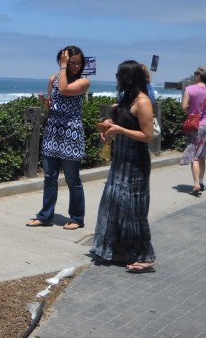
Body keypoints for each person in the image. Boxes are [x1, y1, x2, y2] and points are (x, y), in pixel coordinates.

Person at [91, 60, 155, 273]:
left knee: (134, 208)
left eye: (119, 75)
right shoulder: (126, 99)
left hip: (136, 162)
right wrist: (109, 125)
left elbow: (147, 136)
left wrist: (120, 130)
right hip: (121, 159)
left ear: (128, 77)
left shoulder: (143, 102)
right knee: (114, 203)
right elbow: (123, 121)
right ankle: (121, 249)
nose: (116, 78)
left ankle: (145, 256)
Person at [27, 46, 90, 230]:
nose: (76, 66)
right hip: (53, 130)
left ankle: (77, 218)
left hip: (71, 131)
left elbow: (64, 90)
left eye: (78, 63)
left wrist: (63, 67)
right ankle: (45, 215)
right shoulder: (53, 79)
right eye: (72, 63)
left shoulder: (84, 82)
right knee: (50, 176)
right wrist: (47, 104)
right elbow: (54, 101)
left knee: (72, 178)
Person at [180, 66, 206, 196]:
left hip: (195, 126)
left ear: (198, 75)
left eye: (194, 74)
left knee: (194, 156)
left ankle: (196, 183)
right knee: (202, 155)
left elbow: (184, 107)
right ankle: (201, 182)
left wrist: (190, 110)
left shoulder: (190, 89)